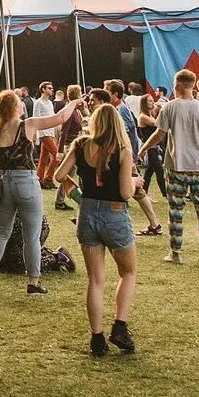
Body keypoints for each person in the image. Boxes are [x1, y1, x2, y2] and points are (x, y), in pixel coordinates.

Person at [0, 87, 79, 296]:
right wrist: (75, 102)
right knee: (31, 236)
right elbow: (61, 117)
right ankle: (33, 281)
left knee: (0, 232)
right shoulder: (28, 124)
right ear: (15, 107)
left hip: (2, 182)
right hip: (25, 180)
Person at [71, 101, 141, 356]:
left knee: (95, 280)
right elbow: (125, 193)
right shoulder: (122, 150)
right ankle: (120, 326)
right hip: (114, 214)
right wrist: (135, 181)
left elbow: (57, 175)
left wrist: (76, 193)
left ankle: (97, 338)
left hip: (87, 213)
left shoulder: (80, 145)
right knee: (129, 272)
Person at [142, 69, 199, 270]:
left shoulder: (170, 108)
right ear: (193, 86)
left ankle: (175, 253)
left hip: (177, 166)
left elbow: (159, 134)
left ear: (177, 85)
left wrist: (142, 149)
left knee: (176, 211)